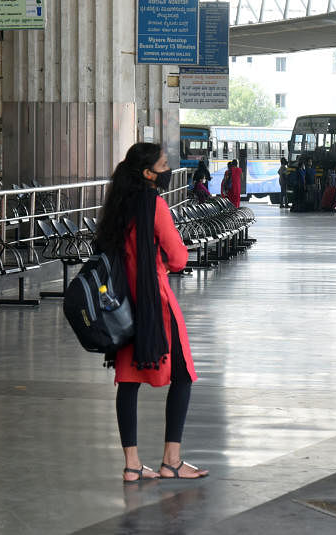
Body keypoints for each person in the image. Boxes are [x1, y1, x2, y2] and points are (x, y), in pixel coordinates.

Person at [95, 142, 208, 483]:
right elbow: (178, 258)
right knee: (183, 375)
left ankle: (132, 465)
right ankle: (171, 460)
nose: (167, 168)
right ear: (148, 174)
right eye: (163, 163)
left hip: (122, 305)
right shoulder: (155, 205)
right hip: (154, 303)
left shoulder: (116, 206)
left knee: (128, 382)